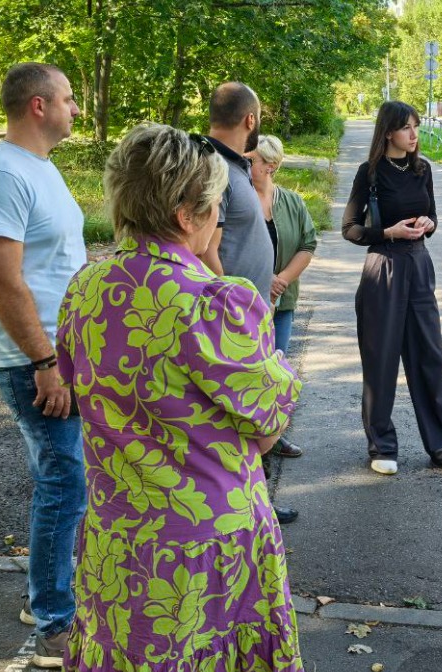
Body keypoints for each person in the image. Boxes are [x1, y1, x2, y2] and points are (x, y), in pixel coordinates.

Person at [56, 123, 305, 672]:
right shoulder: (217, 305)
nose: (220, 219)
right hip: (204, 550)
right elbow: (265, 432)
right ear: (184, 215)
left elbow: (85, 398)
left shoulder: (85, 291)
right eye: (216, 206)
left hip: (115, 543)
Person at [0, 62, 85, 669]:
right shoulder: (1, 177)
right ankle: (54, 624)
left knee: (69, 481)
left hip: (60, 355)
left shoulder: (39, 168)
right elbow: (2, 282)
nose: (75, 108)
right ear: (38, 107)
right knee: (64, 484)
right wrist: (45, 361)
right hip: (32, 360)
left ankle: (50, 596)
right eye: (67, 99)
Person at [342, 101, 442, 477]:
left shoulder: (422, 169)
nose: (414, 135)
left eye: (416, 126)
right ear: (388, 132)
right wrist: (388, 232)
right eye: (406, 128)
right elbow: (350, 228)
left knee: (429, 356)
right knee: (381, 359)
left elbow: (433, 218)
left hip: (418, 265)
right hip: (383, 266)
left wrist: (427, 224)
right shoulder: (369, 173)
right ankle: (382, 445)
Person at [199, 81, 300, 524]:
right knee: (243, 416)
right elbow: (206, 247)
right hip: (230, 318)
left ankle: (254, 499)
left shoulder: (233, 165)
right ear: (250, 120)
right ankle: (247, 506)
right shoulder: (213, 167)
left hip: (248, 311)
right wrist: (234, 305)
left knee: (251, 416)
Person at [248, 134, 318, 459]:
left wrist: (282, 280)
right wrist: (264, 280)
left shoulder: (292, 202)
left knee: (276, 370)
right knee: (250, 371)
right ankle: (249, 442)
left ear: (271, 166)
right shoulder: (239, 201)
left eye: (253, 161)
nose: (247, 166)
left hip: (281, 302)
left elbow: (307, 244)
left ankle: (273, 437)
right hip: (246, 302)